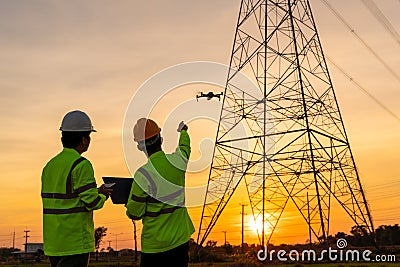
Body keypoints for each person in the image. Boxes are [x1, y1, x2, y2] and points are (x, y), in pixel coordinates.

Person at [41, 110, 112, 267]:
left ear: (62, 138)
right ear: (84, 140)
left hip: (54, 244)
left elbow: (66, 198)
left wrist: (95, 191)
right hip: (74, 243)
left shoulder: (49, 166)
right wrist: (103, 195)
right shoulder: (81, 165)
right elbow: (92, 203)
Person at [125, 118, 194, 267]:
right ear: (160, 139)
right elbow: (185, 147)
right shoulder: (178, 162)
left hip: (154, 247)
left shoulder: (142, 175)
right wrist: (183, 131)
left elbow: (134, 214)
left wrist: (129, 202)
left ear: (140, 147)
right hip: (179, 242)